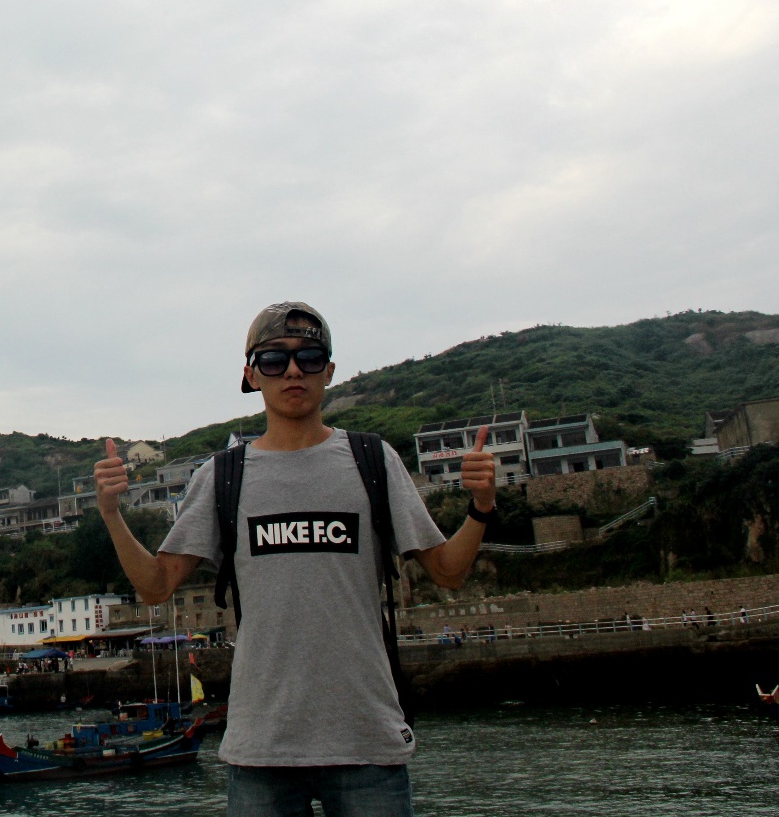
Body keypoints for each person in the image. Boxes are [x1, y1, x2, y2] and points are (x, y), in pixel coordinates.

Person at [94, 302, 496, 817]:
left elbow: (448, 571)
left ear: (329, 371)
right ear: (250, 375)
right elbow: (155, 586)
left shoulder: (374, 460)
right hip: (261, 749)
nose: (292, 371)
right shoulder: (222, 476)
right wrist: (111, 514)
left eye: (309, 357)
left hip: (367, 742)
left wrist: (481, 507)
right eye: (273, 359)